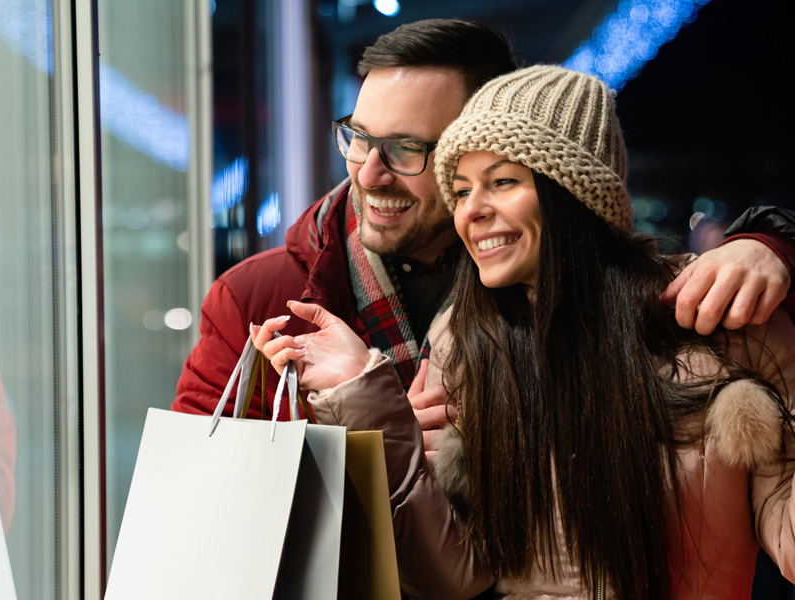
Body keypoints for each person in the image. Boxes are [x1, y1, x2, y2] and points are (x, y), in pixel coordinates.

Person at [255, 66, 795, 599]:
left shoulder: (708, 315)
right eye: (462, 191)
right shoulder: (462, 338)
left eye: (503, 182)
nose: (473, 212)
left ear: (573, 195)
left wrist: (779, 247)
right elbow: (453, 576)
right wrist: (360, 390)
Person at [171, 19, 794, 454]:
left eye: (408, 148)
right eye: (358, 136)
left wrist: (771, 247)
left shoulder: (540, 268)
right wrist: (365, 438)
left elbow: (644, 282)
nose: (369, 171)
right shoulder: (256, 298)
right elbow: (206, 485)